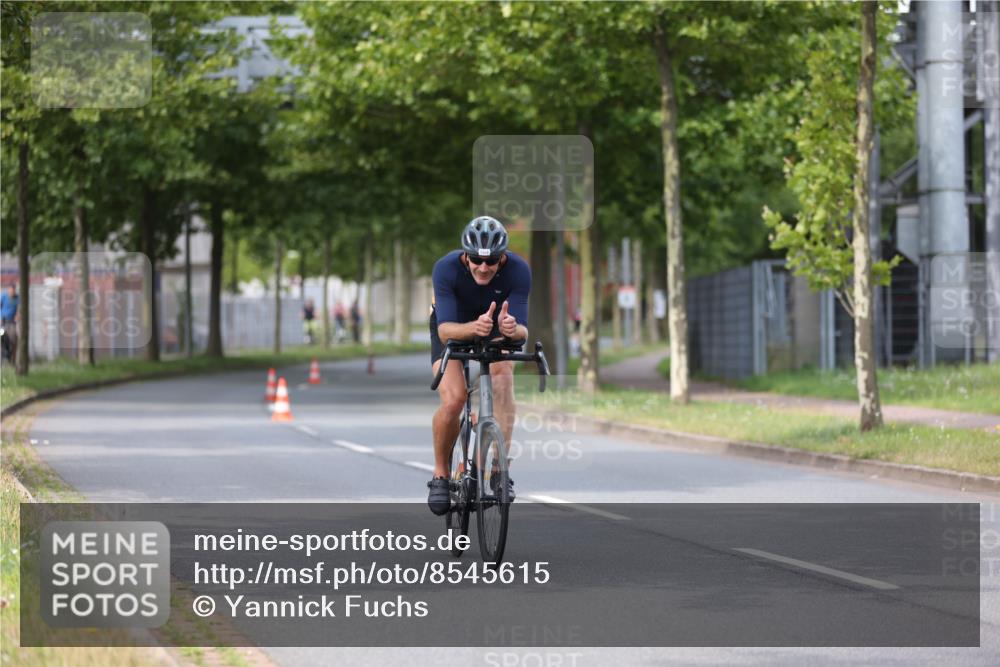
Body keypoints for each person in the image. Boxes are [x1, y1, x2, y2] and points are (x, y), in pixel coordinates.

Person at [427, 216, 530, 515]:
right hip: (453, 326)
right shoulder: (445, 268)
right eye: (476, 260)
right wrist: (474, 328)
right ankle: (440, 474)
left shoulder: (519, 270)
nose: (483, 268)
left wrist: (512, 328)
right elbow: (444, 331)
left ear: (502, 258)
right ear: (465, 255)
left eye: (492, 261)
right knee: (454, 399)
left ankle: (498, 470)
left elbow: (522, 332)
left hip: (496, 327)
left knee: (503, 378)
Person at [1, 285, 19, 365]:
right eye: (10, 291)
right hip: (2, 322)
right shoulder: (4, 296)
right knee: (2, 337)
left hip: (11, 323)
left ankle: (13, 361)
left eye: (13, 291)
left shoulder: (17, 298)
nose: (12, 292)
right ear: (8, 290)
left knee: (14, 340)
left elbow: (19, 310)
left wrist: (18, 316)